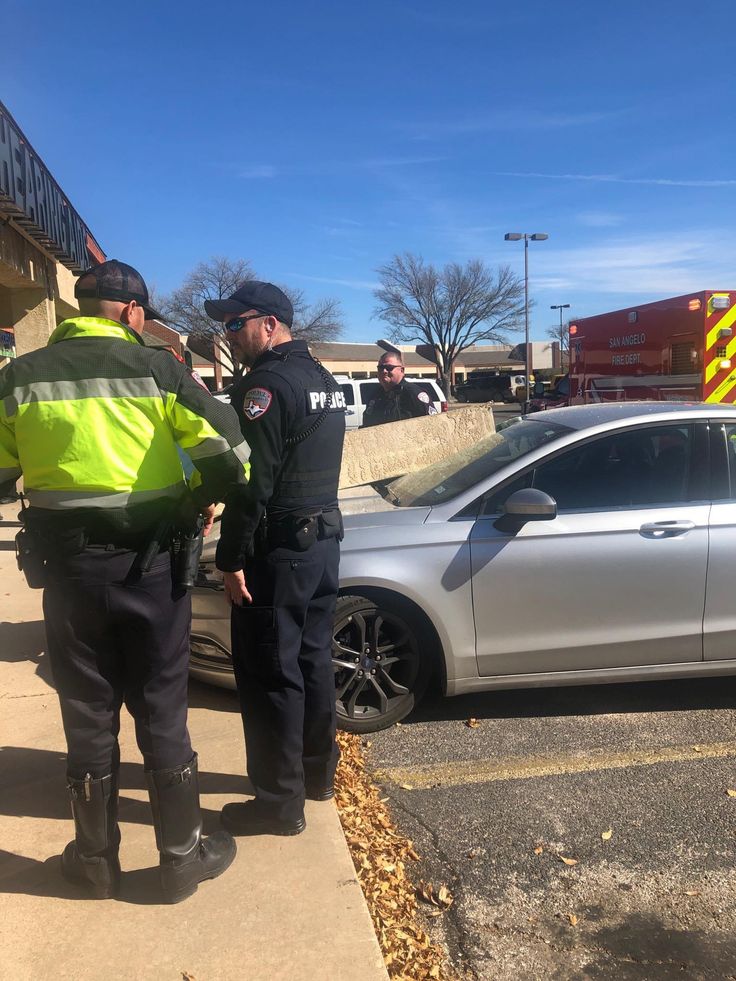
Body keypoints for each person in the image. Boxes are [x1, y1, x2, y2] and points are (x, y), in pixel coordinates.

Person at [0, 260, 251, 903]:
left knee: (86, 710)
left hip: (70, 573)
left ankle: (94, 860)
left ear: (78, 310)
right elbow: (232, 453)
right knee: (162, 703)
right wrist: (201, 494)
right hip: (152, 567)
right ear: (134, 313)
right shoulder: (159, 369)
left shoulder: (19, 378)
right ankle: (180, 858)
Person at [206, 281, 346, 837]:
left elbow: (252, 484)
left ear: (267, 323)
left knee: (270, 674)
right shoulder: (322, 379)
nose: (229, 336)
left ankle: (276, 803)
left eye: (234, 324)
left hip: (279, 552)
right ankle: (317, 775)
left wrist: (231, 556)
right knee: (312, 662)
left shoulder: (264, 385)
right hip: (322, 547)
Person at [362, 351, 437, 427]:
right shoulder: (375, 396)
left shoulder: (413, 393)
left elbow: (433, 424)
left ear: (402, 370)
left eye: (389, 368)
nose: (384, 371)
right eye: (380, 368)